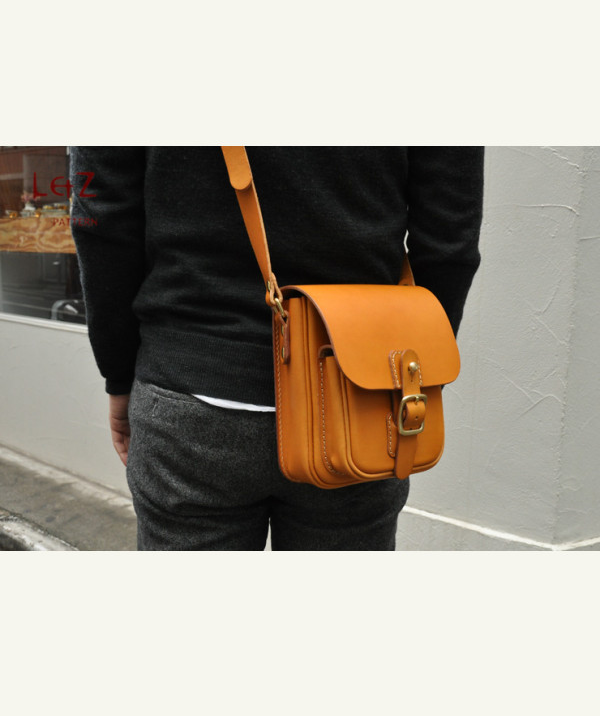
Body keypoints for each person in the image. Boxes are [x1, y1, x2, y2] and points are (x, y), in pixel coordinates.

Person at [69, 147, 485, 551]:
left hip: (192, 388)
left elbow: (101, 217)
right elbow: (450, 238)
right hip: (356, 403)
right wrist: (403, 375)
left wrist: (118, 374)